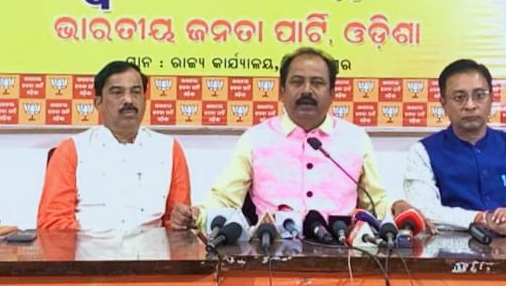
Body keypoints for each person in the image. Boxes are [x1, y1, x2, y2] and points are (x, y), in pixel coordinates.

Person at [171, 47, 421, 230]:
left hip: (342, 256)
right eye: (297, 82)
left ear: (333, 93)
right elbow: (225, 199)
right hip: (271, 254)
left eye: (317, 83)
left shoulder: (355, 140)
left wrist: (397, 206)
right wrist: (196, 214)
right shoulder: (256, 139)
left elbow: (376, 201)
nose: (306, 91)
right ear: (282, 91)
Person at [403, 59, 506, 237]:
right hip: (450, 251)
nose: (470, 105)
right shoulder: (423, 152)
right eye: (459, 97)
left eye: (479, 95)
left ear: (492, 99)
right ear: (443, 104)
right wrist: (483, 219)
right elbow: (423, 210)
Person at [37, 61, 191, 230]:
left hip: (152, 245)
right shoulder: (72, 150)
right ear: (98, 103)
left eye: (136, 92)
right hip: (88, 245)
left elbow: (176, 222)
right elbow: (53, 222)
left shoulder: (168, 149)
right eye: (117, 92)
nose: (129, 100)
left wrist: (180, 221)